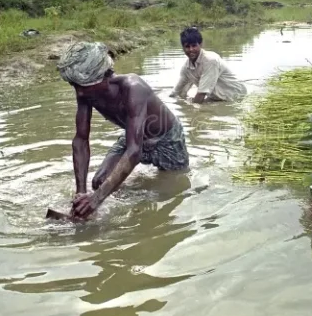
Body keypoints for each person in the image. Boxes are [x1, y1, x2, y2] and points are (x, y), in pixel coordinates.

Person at [57, 41, 190, 219]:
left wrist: (96, 201)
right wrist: (81, 194)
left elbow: (134, 151)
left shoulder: (133, 87)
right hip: (134, 135)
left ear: (102, 77)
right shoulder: (86, 92)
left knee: (173, 185)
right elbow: (81, 140)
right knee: (99, 182)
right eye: (75, 87)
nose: (79, 93)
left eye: (81, 87)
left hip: (167, 140)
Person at [170, 27, 247, 103]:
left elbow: (201, 94)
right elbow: (178, 91)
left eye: (194, 46)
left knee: (196, 109)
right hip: (216, 98)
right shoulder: (187, 68)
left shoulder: (210, 61)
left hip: (237, 97)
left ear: (200, 44)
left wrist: (193, 111)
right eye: (187, 46)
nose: (191, 50)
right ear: (183, 48)